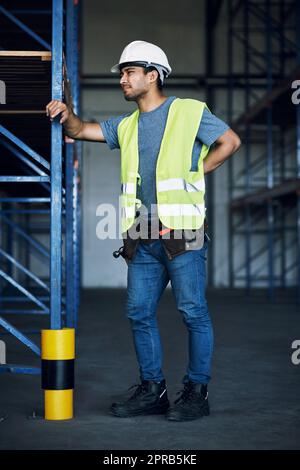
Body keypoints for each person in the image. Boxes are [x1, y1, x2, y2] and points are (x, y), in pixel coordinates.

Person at [46, 40, 241, 422]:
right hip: (144, 237)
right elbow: (81, 130)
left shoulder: (188, 112)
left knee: (192, 312)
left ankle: (196, 392)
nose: (123, 79)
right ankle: (154, 390)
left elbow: (229, 142)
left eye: (129, 72)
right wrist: (66, 114)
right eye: (122, 73)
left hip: (184, 235)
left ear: (152, 76)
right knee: (138, 312)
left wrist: (196, 172)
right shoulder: (127, 126)